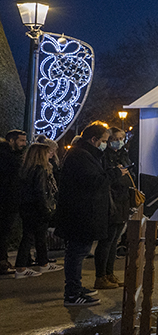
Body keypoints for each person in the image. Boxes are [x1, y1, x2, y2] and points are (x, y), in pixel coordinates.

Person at [57, 123, 112, 306]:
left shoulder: (85, 154)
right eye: (104, 140)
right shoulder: (81, 156)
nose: (106, 144)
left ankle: (76, 287)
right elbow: (92, 181)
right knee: (76, 253)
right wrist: (112, 175)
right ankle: (72, 293)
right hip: (80, 214)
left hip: (82, 212)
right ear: (93, 139)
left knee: (78, 252)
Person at [93, 126, 133, 290]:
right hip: (111, 200)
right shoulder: (104, 157)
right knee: (107, 241)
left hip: (123, 199)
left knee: (114, 240)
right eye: (115, 139)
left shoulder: (123, 155)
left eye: (122, 138)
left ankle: (109, 273)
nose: (119, 142)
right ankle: (101, 276)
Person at [16, 142, 59, 275]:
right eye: (47, 153)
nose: (50, 155)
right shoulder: (40, 170)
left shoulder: (27, 169)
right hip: (37, 208)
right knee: (31, 237)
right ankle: (21, 267)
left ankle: (43, 262)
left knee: (37, 236)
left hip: (28, 207)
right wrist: (46, 209)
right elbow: (41, 192)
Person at [1, 129, 29, 277]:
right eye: (21, 141)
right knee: (3, 233)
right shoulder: (7, 158)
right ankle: (2, 262)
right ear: (11, 141)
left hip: (10, 200)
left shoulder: (13, 157)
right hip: (6, 201)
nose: (24, 144)